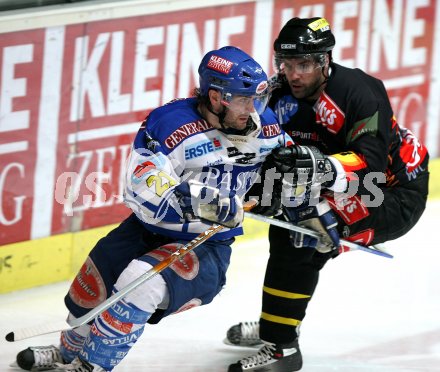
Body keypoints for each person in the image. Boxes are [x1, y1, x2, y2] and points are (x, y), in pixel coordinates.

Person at [14, 46, 293, 372]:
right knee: (91, 288)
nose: (253, 110)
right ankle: (67, 350)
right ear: (217, 97)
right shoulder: (170, 124)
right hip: (147, 229)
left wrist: (287, 191)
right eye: (244, 100)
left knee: (141, 282)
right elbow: (141, 186)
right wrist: (205, 202)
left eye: (257, 99)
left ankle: (89, 367)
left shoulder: (267, 127)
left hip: (208, 246)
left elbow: (286, 175)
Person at [226, 17, 430, 372]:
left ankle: (283, 348)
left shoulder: (360, 92)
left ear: (325, 61)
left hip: (392, 193)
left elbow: (371, 167)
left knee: (301, 225)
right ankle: (281, 324)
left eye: (303, 64)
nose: (293, 75)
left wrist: (314, 166)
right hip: (340, 185)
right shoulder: (279, 92)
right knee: (288, 216)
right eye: (286, 64)